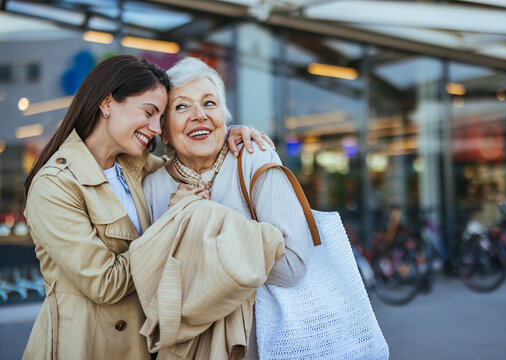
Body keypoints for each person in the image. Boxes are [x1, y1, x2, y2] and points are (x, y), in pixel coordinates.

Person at [23, 54, 272, 360]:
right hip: (86, 347)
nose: (156, 127)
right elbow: (105, 283)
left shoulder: (137, 166)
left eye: (161, 116)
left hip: (145, 345)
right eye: (149, 112)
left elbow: (191, 156)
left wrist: (227, 133)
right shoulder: (55, 185)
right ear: (107, 104)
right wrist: (172, 222)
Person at [143, 57, 312, 359]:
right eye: (181, 107)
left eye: (209, 103)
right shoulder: (151, 187)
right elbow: (150, 280)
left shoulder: (253, 157)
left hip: (259, 346)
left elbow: (292, 266)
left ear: (224, 116)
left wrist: (203, 223)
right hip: (185, 347)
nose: (199, 115)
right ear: (164, 132)